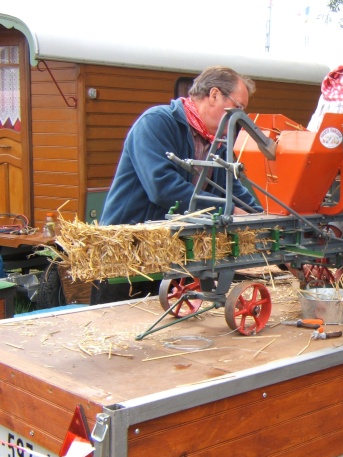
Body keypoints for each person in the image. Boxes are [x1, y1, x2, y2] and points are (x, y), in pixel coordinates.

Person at [92, 66, 262, 304]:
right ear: (214, 95)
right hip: (127, 257)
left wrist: (268, 218)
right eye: (239, 107)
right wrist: (228, 210)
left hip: (170, 259)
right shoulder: (156, 123)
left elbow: (235, 191)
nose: (241, 117)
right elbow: (162, 188)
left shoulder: (217, 143)